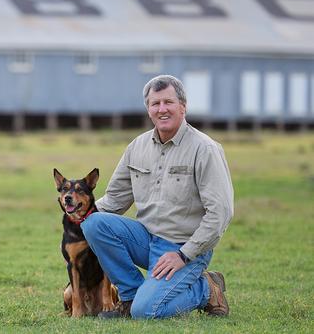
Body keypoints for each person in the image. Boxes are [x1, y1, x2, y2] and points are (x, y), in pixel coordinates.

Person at [81, 75, 233, 319]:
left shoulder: (205, 149)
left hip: (184, 246)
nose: (162, 109)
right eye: (155, 104)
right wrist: (74, 223)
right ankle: (130, 298)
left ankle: (207, 289)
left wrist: (185, 254)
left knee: (148, 311)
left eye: (168, 102)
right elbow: (114, 200)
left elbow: (220, 214)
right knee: (93, 222)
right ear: (148, 109)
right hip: (147, 239)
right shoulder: (137, 147)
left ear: (183, 106)